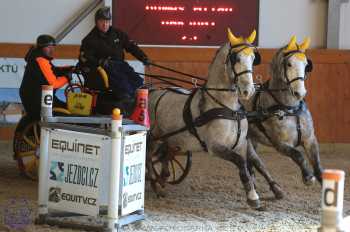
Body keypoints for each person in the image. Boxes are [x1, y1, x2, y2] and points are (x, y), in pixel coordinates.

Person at [79, 6, 150, 102]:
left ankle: (140, 91)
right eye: (102, 21)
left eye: (107, 21)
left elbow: (131, 46)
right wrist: (99, 61)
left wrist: (143, 57)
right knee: (122, 81)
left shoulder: (118, 33)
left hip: (120, 64)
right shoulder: (89, 39)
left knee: (136, 79)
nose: (105, 24)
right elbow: (85, 57)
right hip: (103, 68)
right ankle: (128, 96)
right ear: (96, 22)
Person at [17, 34, 73, 132]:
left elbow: (53, 70)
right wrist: (67, 77)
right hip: (36, 100)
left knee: (66, 108)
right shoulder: (40, 60)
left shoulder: (40, 57)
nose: (52, 50)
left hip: (41, 96)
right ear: (41, 48)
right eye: (48, 47)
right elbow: (53, 84)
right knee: (64, 114)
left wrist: (70, 68)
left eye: (53, 47)